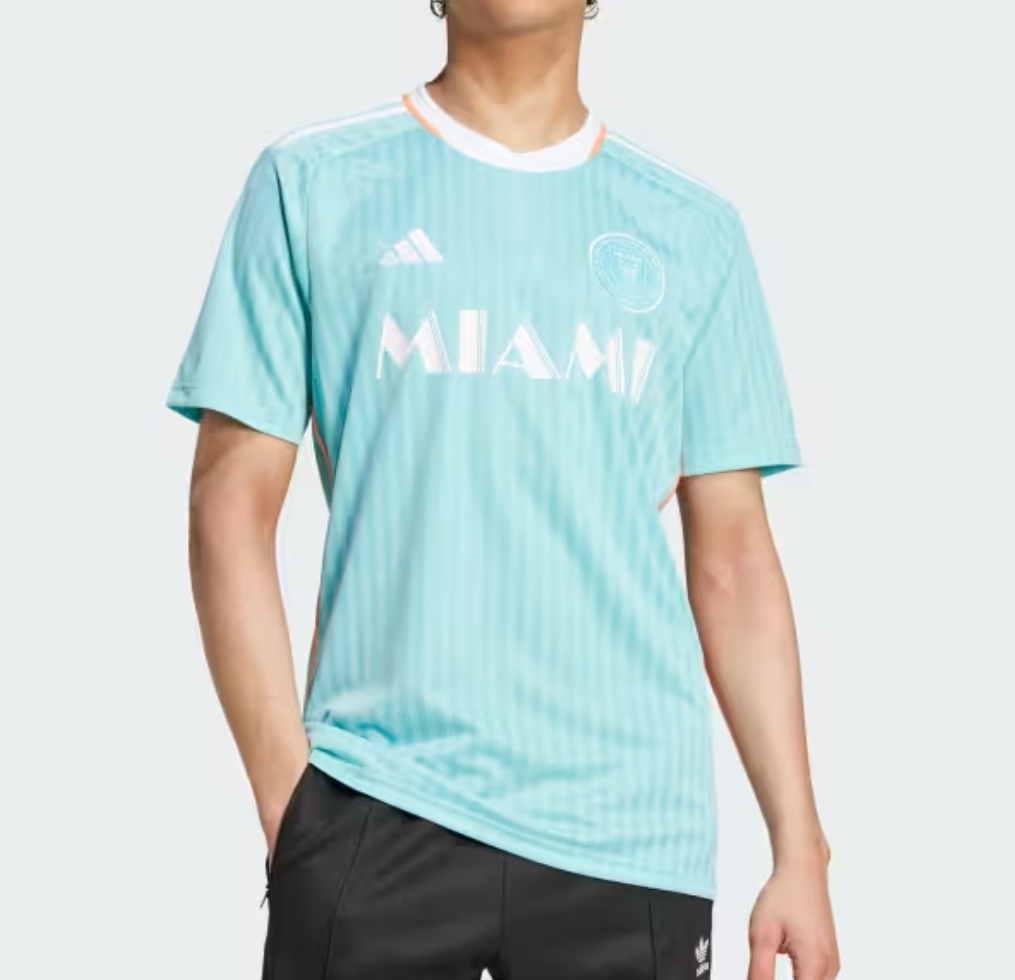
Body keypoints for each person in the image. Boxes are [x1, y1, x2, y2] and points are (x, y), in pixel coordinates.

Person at [167, 1, 839, 977]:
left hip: (629, 839)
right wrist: (295, 813)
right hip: (375, 808)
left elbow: (734, 559)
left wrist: (798, 848)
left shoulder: (694, 233)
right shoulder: (312, 184)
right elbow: (228, 510)